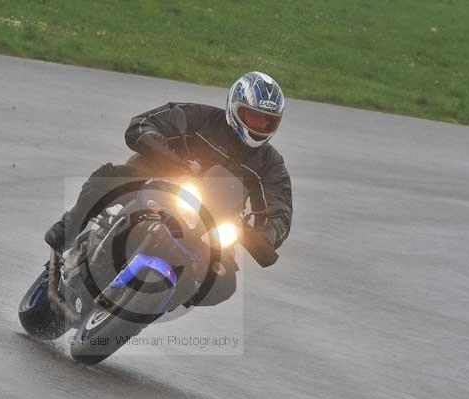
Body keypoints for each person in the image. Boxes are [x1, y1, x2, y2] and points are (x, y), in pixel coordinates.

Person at [45, 71, 293, 259]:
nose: (259, 126)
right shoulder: (199, 117)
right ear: (234, 106)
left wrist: (265, 235)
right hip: (159, 181)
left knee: (224, 283)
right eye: (253, 117)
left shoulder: (270, 165)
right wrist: (171, 160)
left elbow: (279, 210)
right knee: (105, 180)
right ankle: (66, 232)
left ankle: (150, 308)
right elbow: (142, 125)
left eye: (267, 122)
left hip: (209, 223)